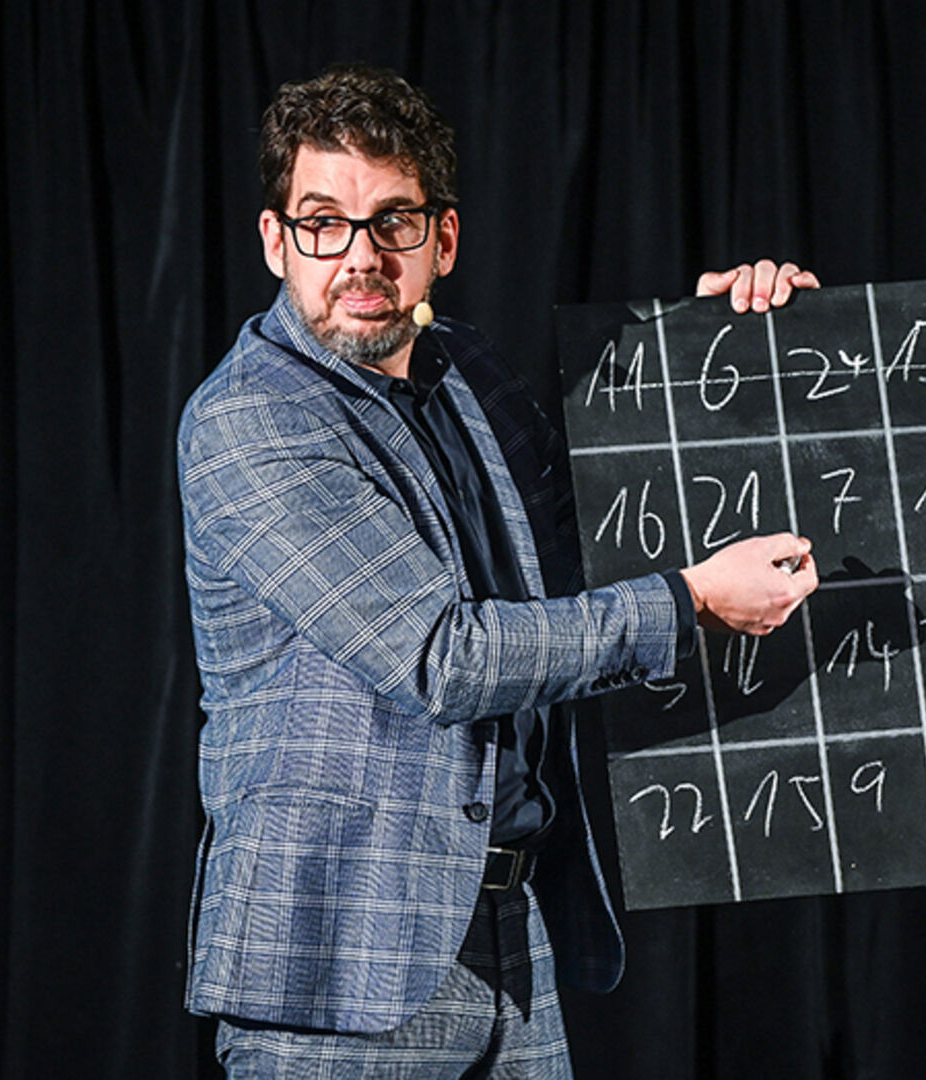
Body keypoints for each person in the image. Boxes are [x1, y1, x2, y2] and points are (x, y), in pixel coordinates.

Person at [178, 63, 820, 1078]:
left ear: (442, 240)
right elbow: (444, 660)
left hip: (513, 941)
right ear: (276, 241)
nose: (360, 256)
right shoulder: (252, 419)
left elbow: (596, 546)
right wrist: (693, 599)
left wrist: (713, 357)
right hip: (339, 980)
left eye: (392, 221)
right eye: (324, 223)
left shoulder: (465, 373)